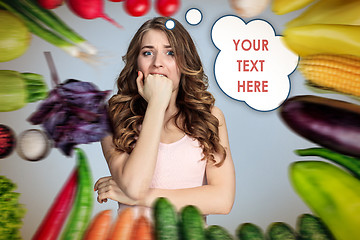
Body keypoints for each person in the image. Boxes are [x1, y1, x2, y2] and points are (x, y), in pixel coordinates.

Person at [94, 17, 235, 217]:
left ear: (184, 62)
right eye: (147, 53)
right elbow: (134, 186)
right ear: (136, 63)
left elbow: (222, 200)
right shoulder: (113, 117)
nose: (157, 63)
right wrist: (156, 104)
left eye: (170, 53)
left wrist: (142, 198)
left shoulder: (210, 117)